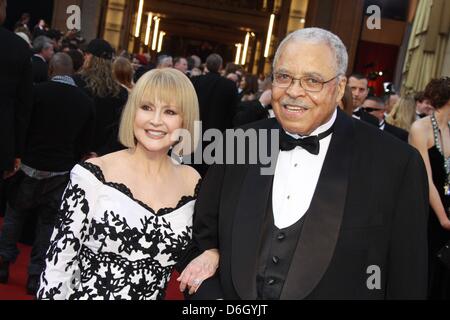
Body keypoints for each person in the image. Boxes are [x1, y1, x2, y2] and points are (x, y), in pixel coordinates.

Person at [180, 27, 429, 299]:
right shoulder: (238, 143)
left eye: (312, 80)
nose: (294, 92)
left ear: (339, 89)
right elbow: (200, 240)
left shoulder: (395, 163)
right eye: (284, 77)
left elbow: (407, 280)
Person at [37, 68, 217, 300]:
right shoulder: (94, 174)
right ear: (133, 112)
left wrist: (213, 253)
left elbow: (200, 247)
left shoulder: (192, 181)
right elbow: (58, 265)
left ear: (185, 120)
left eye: (170, 111)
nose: (155, 121)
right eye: (146, 107)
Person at [0, 53, 95, 295]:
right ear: (72, 71)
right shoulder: (85, 101)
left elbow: (22, 126)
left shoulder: (36, 92)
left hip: (28, 166)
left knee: (14, 217)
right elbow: (85, 143)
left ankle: (2, 263)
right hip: (60, 171)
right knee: (47, 226)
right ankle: (35, 275)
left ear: (51, 69)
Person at [409, 77, 450, 299]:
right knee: (429, 271)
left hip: (447, 206)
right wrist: (444, 218)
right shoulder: (420, 128)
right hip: (428, 212)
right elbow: (426, 179)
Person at [74, 39, 128, 156]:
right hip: (103, 156)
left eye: (86, 55)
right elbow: (121, 130)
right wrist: (101, 153)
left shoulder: (76, 83)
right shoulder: (121, 92)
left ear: (89, 57)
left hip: (73, 153)